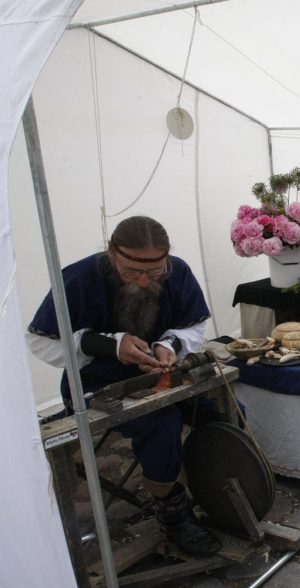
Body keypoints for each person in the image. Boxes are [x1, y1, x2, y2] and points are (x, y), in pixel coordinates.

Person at [27, 215, 223, 556]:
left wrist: (170, 345)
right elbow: (39, 341)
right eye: (132, 271)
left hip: (162, 378)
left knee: (217, 414)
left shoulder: (177, 272)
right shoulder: (78, 278)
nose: (145, 281)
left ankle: (216, 490)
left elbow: (195, 324)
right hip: (95, 385)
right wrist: (108, 345)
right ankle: (173, 511)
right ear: (112, 255)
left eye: (155, 271)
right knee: (162, 425)